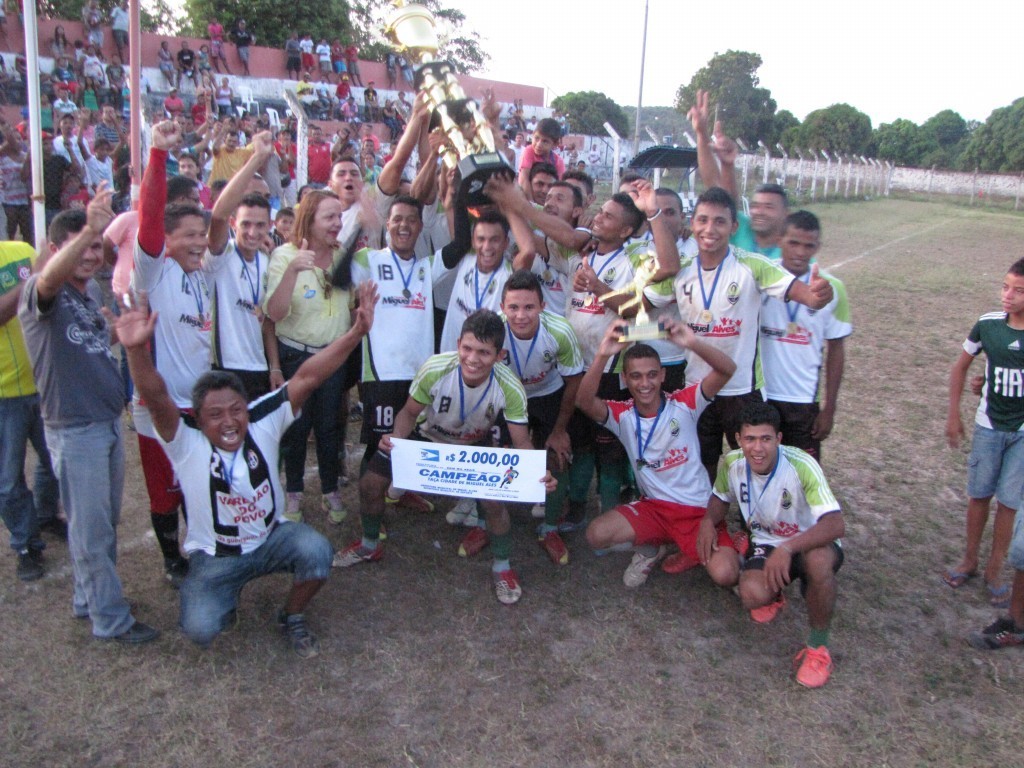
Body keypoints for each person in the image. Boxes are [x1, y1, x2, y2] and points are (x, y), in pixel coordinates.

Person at [120, 278, 377, 656]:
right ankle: (225, 593)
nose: (228, 422)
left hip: (271, 537)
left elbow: (309, 375)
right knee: (201, 629)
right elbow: (157, 396)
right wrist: (135, 351)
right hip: (217, 556)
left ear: (247, 408)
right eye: (215, 415)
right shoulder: (185, 440)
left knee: (318, 552)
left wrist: (356, 332)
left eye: (235, 410)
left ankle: (290, 615)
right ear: (200, 419)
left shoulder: (262, 419)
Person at [335, 310, 554, 606]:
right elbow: (409, 413)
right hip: (425, 437)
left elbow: (521, 440)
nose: (473, 359)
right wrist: (397, 438)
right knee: (370, 484)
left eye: (484, 352)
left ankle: (502, 567)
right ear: (457, 343)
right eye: (467, 348)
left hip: (474, 446)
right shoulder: (436, 368)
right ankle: (370, 544)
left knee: (494, 502)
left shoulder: (510, 387)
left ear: (499, 355)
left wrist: (534, 473)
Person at [19, 191, 160, 644]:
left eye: (98, 247)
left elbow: (91, 346)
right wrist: (88, 231)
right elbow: (47, 278)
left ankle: (89, 599)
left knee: (101, 523)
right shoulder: (43, 293)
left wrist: (121, 334)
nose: (93, 254)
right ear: (60, 249)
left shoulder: (92, 292)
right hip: (75, 428)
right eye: (82, 246)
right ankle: (110, 619)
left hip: (105, 422)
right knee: (91, 531)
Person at [645, 187, 833, 483]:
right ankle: (705, 523)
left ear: (733, 227)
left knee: (754, 466)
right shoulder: (680, 272)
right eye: (703, 220)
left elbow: (808, 297)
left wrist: (820, 294)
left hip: (742, 390)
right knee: (699, 465)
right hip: (697, 388)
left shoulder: (752, 266)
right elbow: (640, 308)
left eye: (720, 222)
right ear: (692, 223)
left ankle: (754, 525)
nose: (710, 229)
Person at [577, 319, 740, 589]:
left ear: (663, 375)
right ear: (625, 378)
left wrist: (692, 343)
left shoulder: (685, 403)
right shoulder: (622, 415)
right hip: (654, 509)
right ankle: (651, 549)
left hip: (696, 512)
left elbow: (727, 370)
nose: (645, 383)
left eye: (652, 374)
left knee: (726, 575)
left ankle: (725, 544)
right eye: (636, 376)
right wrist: (603, 354)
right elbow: (584, 401)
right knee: (596, 534)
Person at [700, 402, 846, 688]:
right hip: (768, 543)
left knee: (817, 563)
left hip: (809, 542)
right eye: (750, 439)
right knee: (752, 595)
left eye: (766, 439)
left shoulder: (802, 464)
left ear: (779, 439)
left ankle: (818, 648)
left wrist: (788, 548)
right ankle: (776, 591)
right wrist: (707, 520)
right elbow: (720, 498)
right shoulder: (732, 463)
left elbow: (834, 525)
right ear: (739, 439)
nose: (758, 448)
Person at [131, 121, 212, 587]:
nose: (198, 243)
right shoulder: (154, 272)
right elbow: (149, 216)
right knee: (164, 488)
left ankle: (199, 546)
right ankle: (171, 559)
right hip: (158, 404)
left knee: (195, 481)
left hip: (195, 401)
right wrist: (158, 155)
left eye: (200, 235)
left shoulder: (199, 274)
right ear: (165, 242)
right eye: (187, 236)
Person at [264, 190, 352, 523]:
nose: (337, 224)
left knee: (329, 427)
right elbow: (274, 313)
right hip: (295, 357)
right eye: (329, 217)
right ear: (310, 219)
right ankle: (294, 493)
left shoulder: (344, 256)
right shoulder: (285, 256)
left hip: (333, 359)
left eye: (339, 217)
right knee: (296, 428)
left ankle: (331, 490)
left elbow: (354, 304)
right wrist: (293, 272)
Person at [944, 258, 1024, 608]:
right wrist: (954, 415)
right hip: (989, 427)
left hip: (1021, 433)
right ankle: (970, 560)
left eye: (1018, 290)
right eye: (1005, 286)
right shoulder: (988, 325)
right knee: (979, 495)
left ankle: (995, 570)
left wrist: (988, 383)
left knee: (1009, 503)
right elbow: (961, 367)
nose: (1008, 295)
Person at [498, 270, 583, 563]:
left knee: (557, 456)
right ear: (502, 307)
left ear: (542, 306)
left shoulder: (559, 330)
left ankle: (549, 527)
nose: (521, 315)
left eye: (529, 307)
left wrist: (559, 429)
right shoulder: (494, 329)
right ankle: (487, 522)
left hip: (548, 393)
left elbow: (574, 380)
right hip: (507, 398)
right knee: (492, 455)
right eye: (513, 307)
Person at [760, 211, 851, 460]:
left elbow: (836, 350)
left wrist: (829, 408)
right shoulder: (760, 278)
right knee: (762, 470)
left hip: (803, 400)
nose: (800, 252)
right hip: (762, 396)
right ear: (779, 240)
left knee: (803, 477)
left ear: (818, 246)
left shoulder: (832, 288)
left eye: (808, 245)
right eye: (793, 243)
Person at [0, 240, 62, 582]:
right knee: (8, 482)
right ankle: (26, 544)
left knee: (55, 462)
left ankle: (46, 514)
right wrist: (36, 278)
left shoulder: (21, 250)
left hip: (42, 382)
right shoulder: (31, 263)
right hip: (3, 395)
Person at [206, 131, 280, 403]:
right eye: (246, 224)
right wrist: (256, 158)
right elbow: (218, 214)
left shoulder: (266, 260)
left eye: (260, 225)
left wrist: (274, 366)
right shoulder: (220, 256)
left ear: (269, 227)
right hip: (224, 368)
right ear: (234, 224)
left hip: (258, 369)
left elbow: (267, 322)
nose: (252, 232)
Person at [517, 117, 564, 192]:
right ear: (532, 135)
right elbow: (523, 180)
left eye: (545, 141)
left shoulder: (558, 162)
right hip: (526, 197)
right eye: (536, 138)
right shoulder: (529, 151)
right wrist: (532, 203)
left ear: (555, 144)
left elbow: (560, 187)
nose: (539, 144)